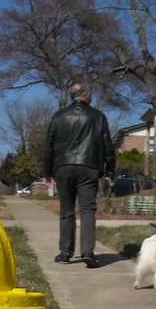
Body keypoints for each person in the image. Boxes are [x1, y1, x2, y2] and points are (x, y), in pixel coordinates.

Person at [42, 82, 115, 268]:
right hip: (89, 166)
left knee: (66, 210)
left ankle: (65, 254)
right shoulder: (98, 116)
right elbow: (108, 146)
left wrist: (47, 172)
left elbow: (49, 145)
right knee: (87, 209)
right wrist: (110, 171)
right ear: (87, 95)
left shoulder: (59, 116)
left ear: (71, 96)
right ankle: (88, 252)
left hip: (64, 166)